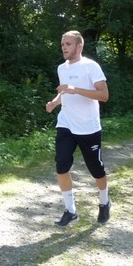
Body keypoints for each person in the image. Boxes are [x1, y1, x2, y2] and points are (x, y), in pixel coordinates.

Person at [45, 30, 111, 226]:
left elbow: (104, 95)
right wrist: (55, 102)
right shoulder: (61, 68)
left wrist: (76, 90)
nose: (64, 47)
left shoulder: (91, 66)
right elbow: (65, 91)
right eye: (62, 44)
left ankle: (104, 202)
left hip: (88, 127)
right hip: (66, 123)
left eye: (68, 44)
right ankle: (70, 211)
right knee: (61, 164)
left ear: (79, 46)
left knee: (96, 169)